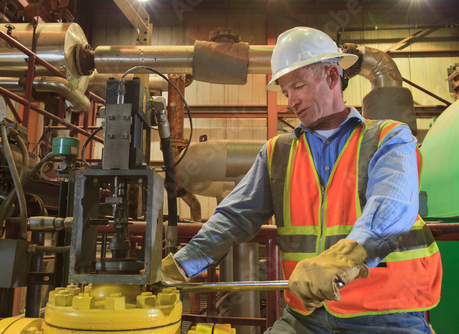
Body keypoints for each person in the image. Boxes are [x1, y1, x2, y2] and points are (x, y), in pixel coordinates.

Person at [162, 27, 442, 333]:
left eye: (298, 87)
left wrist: (343, 258)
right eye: (285, 92)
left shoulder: (389, 137)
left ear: (333, 77)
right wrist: (180, 265)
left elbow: (392, 207)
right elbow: (234, 217)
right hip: (305, 319)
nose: (291, 101)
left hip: (387, 315)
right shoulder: (277, 153)